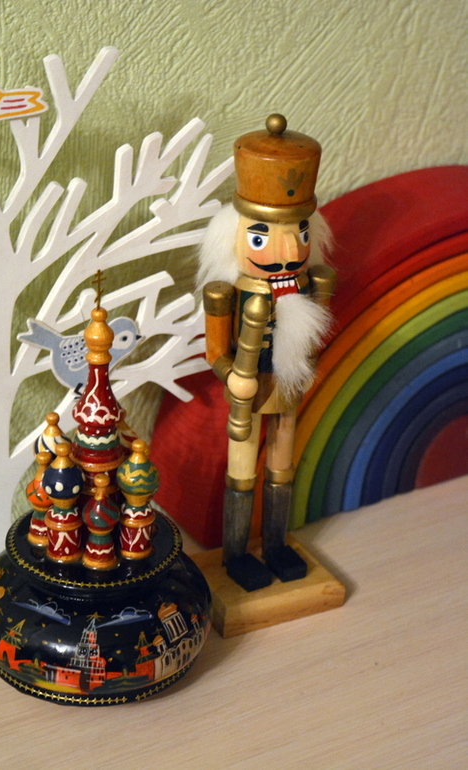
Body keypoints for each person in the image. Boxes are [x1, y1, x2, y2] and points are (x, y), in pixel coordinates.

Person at [198, 114, 336, 591]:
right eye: (261, 236)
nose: (286, 249)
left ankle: (276, 545)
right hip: (249, 390)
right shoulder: (227, 293)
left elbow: (316, 336)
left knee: (282, 465)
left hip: (289, 387)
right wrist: (231, 374)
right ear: (234, 236)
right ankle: (236, 553)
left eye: (300, 233)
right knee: (242, 469)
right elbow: (215, 350)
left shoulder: (308, 286)